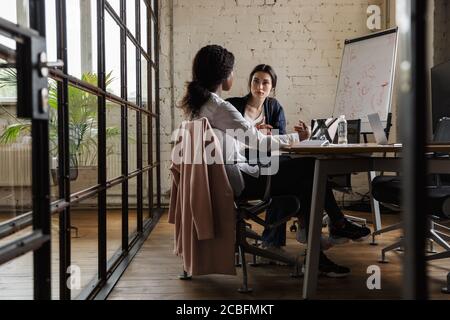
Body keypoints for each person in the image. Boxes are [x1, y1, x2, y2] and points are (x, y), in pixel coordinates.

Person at [179, 44, 370, 278]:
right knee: (311, 168)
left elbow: (226, 145)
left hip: (222, 180)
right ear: (224, 75)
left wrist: (252, 134)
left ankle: (321, 241)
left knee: (304, 180)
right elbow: (258, 142)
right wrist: (297, 137)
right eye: (232, 72)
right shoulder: (221, 107)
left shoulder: (197, 106)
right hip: (238, 181)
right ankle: (330, 235)